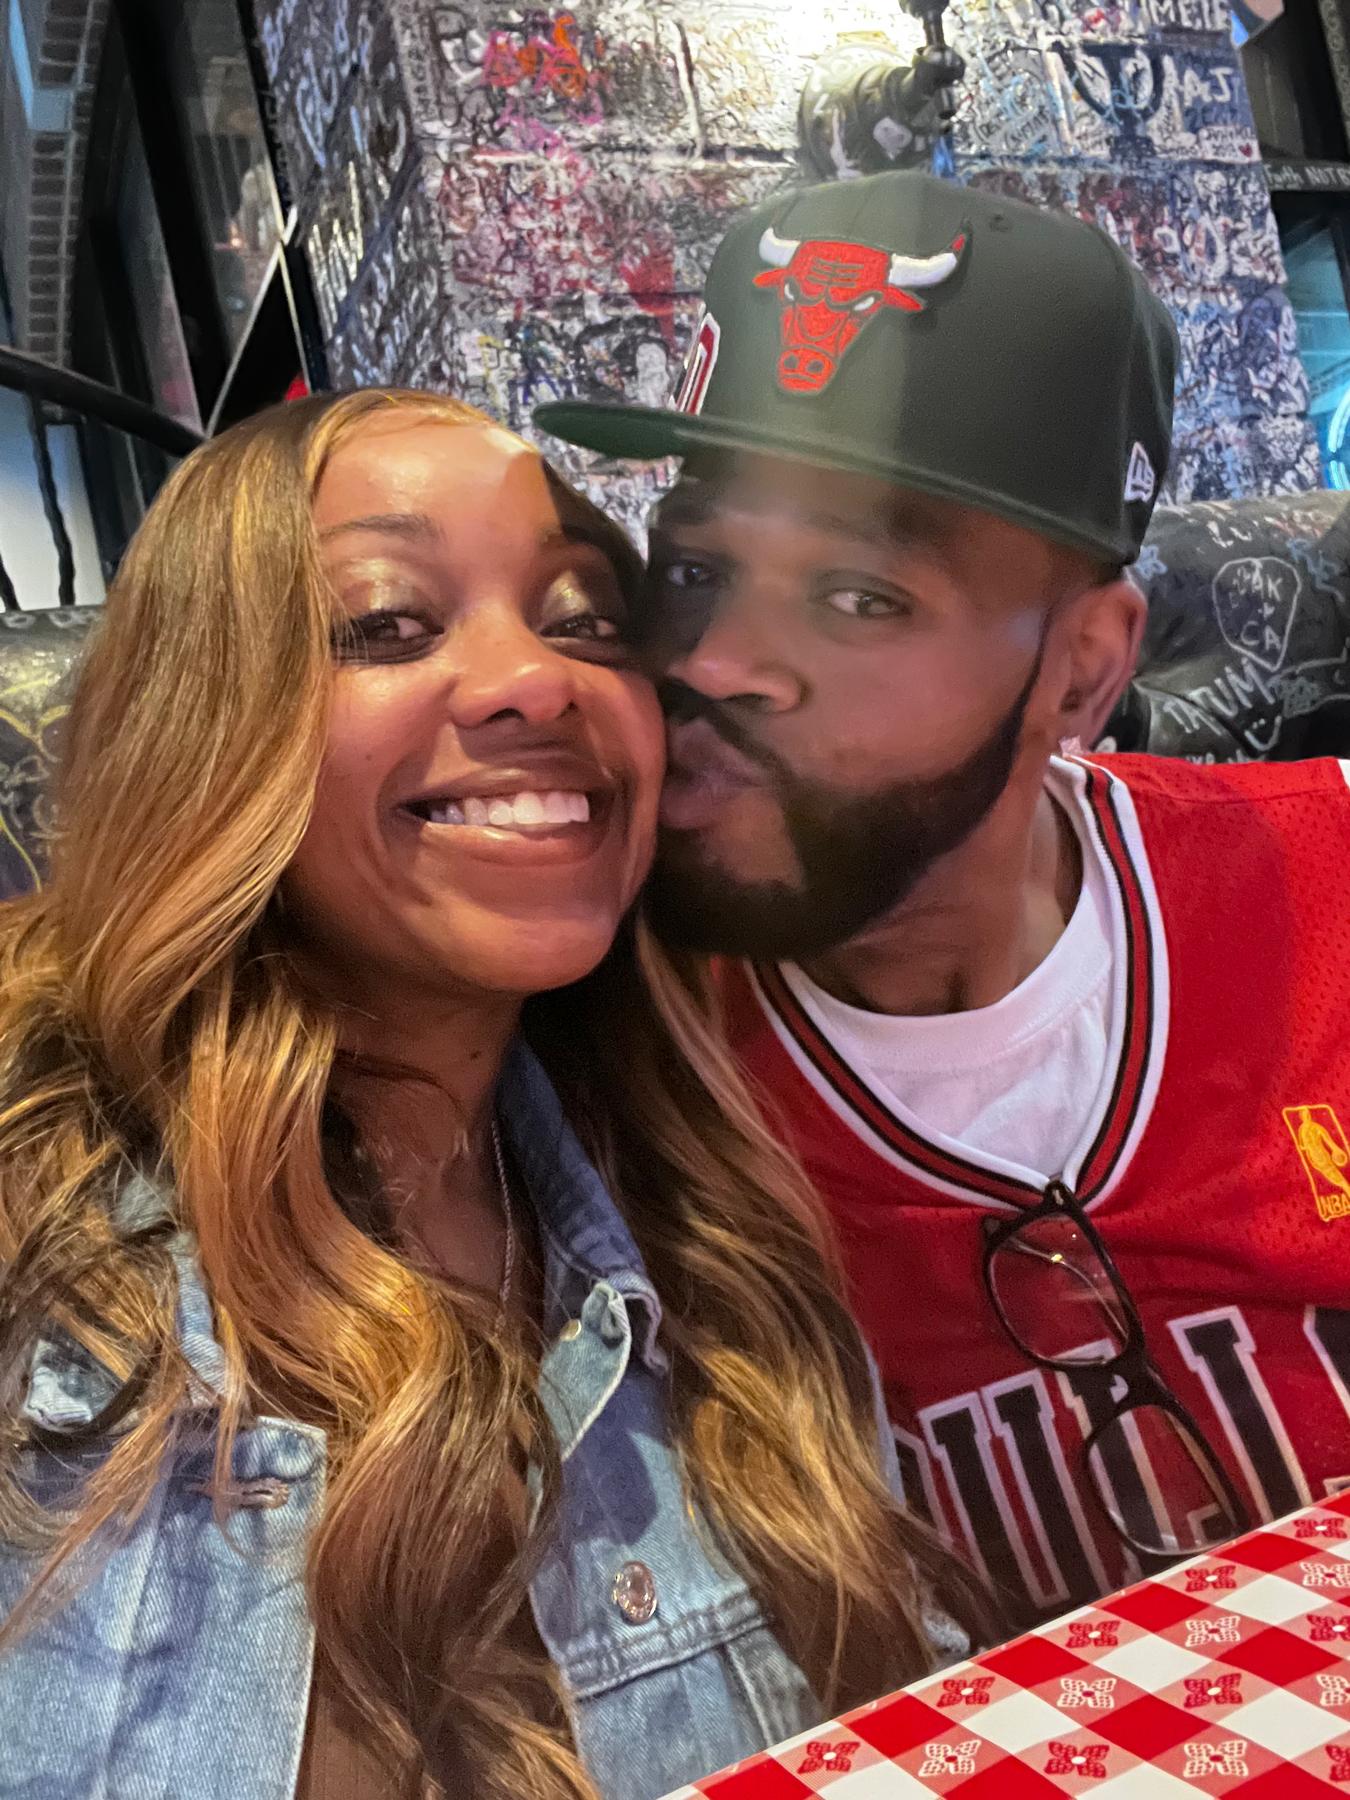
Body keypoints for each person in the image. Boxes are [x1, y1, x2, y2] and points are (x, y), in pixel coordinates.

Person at [0, 390, 983, 1800]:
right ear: (198, 725)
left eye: (587, 622)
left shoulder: (720, 1228)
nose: (537, 680)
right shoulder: (33, 1218)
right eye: (388, 623)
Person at [538, 170, 1350, 1628]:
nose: (714, 661)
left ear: (1083, 670)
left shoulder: (1325, 880)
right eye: (699, 565)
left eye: (860, 595)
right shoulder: (603, 1054)